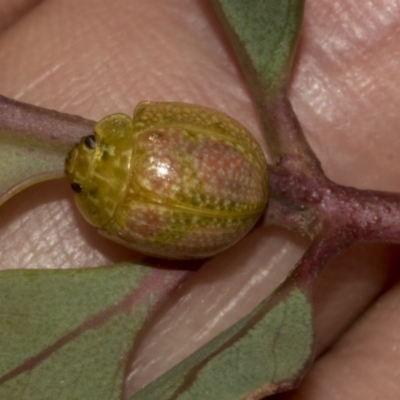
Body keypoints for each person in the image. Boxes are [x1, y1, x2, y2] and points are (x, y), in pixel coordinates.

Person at [0, 0, 399, 398]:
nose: (82, 154)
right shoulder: (142, 142)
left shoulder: (118, 219)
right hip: (232, 172)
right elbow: (165, 120)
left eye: (91, 143)